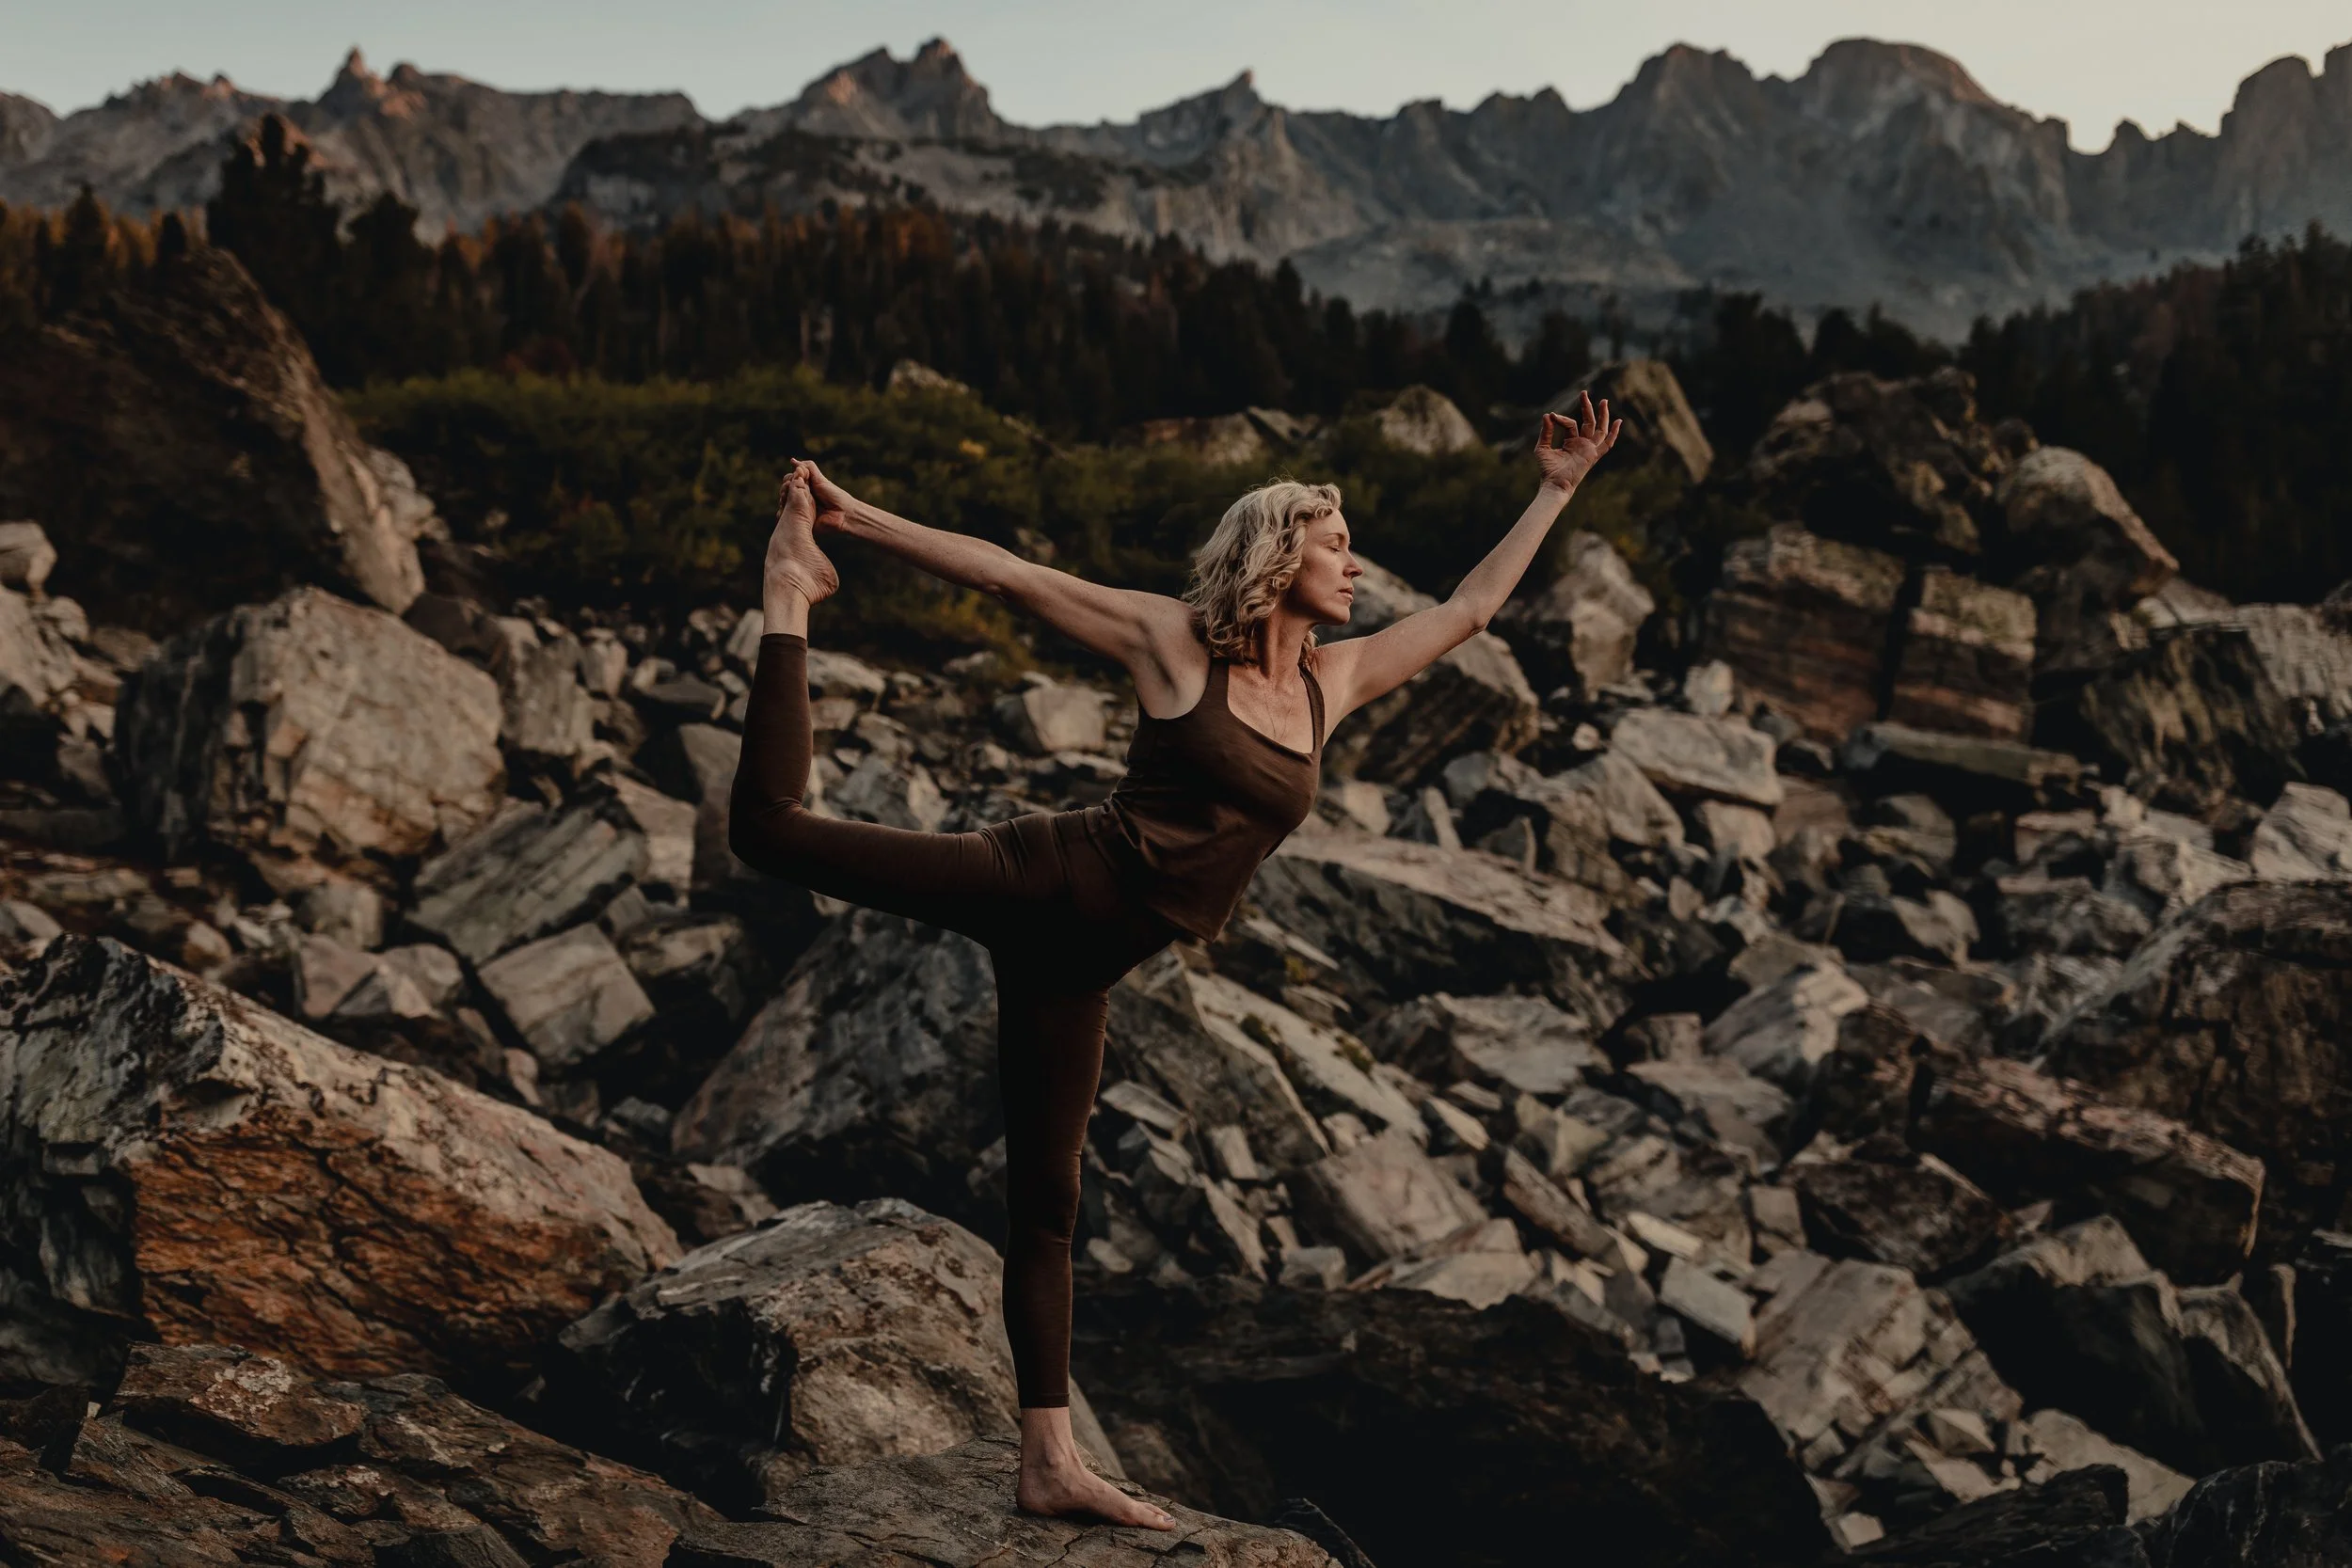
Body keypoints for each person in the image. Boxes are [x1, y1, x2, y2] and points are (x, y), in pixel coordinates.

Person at [732, 393, 1622, 1528]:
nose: (1355, 565)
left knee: (1048, 1205)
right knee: (770, 829)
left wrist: (1554, 489)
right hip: (1039, 879)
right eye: (1336, 544)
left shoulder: (1333, 682)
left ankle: (1048, 1462)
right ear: (1278, 553)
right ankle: (788, 594)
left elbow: (1471, 608)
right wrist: (852, 519)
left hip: (1080, 970)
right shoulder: (1175, 641)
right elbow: (1012, 577)